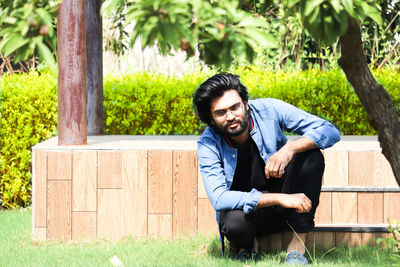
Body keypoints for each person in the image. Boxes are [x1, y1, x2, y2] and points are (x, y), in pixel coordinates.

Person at [193, 73, 340, 265]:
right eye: (220, 113)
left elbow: (330, 130)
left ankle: (297, 245)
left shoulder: (269, 109)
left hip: (286, 204)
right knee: (233, 224)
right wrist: (280, 199)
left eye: (235, 107)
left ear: (246, 104)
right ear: (211, 119)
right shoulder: (208, 143)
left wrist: (290, 148)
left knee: (310, 156)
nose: (230, 116)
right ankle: (247, 246)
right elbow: (219, 198)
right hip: (252, 213)